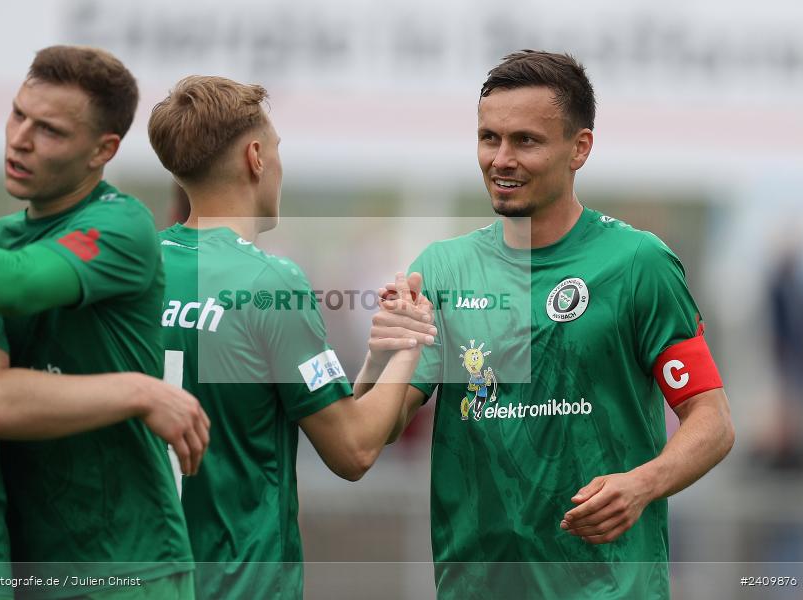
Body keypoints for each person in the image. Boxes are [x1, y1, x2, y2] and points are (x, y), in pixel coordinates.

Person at [362, 51, 735, 599]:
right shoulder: (442, 269)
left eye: (526, 141)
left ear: (579, 148)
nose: (501, 159)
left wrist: (642, 485)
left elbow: (713, 419)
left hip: (611, 587)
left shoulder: (638, 264)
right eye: (489, 138)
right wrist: (380, 356)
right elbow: (376, 431)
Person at [0, 44, 207, 599]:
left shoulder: (122, 225)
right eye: (18, 114)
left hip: (125, 565)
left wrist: (138, 390)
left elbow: (16, 282)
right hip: (25, 563)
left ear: (104, 149)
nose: (20, 138)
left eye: (49, 130)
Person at [146, 75, 436, 600]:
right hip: (240, 584)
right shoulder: (268, 283)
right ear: (255, 157)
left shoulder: (138, 268)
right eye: (278, 150)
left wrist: (377, 359)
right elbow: (352, 450)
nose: (280, 165)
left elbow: (333, 414)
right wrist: (414, 342)